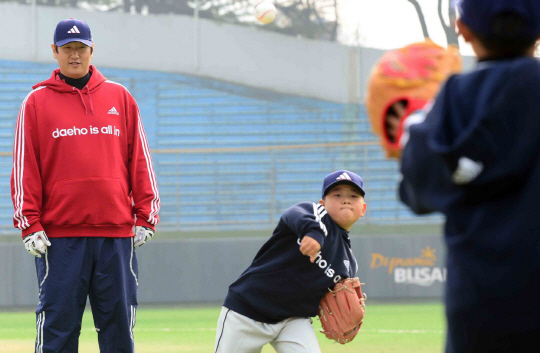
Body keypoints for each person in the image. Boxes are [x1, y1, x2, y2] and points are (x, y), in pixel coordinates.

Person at [381, 1, 540, 351]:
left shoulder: (454, 99)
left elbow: (418, 192)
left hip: (481, 313)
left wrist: (406, 134)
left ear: (463, 28)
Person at [10, 18, 160, 353]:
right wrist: (29, 223)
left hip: (116, 235)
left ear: (92, 50)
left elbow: (140, 160)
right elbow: (25, 168)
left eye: (81, 48)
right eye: (67, 48)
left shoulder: (120, 97)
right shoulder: (35, 102)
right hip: (60, 239)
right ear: (55, 52)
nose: (74, 55)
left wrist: (146, 214)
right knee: (59, 330)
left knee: (118, 329)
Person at [214, 170, 367, 353]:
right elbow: (296, 213)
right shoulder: (314, 215)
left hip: (293, 320)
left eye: (353, 195)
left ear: (363, 209)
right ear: (322, 203)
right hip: (248, 310)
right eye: (337, 194)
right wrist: (313, 234)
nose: (345, 199)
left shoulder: (349, 263)